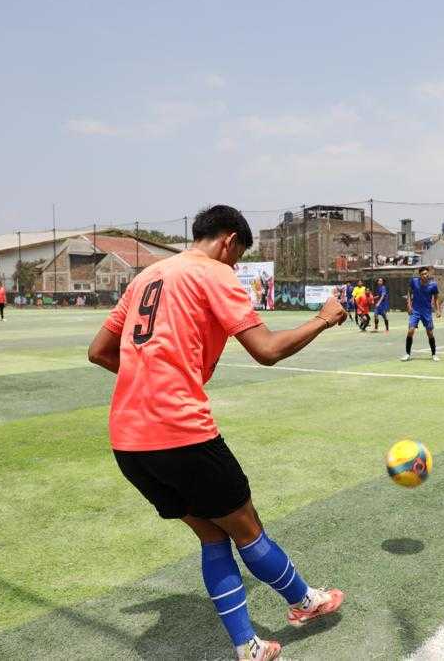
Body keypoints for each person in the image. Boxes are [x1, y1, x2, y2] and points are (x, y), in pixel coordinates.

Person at [87, 205, 346, 661]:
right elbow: (266, 350)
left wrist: (150, 378)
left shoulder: (147, 276)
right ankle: (306, 602)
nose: (235, 267)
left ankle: (249, 646)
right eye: (237, 257)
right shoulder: (214, 272)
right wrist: (323, 318)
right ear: (228, 241)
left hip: (128, 443)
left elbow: (99, 351)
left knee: (212, 536)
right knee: (248, 529)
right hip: (181, 433)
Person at [400, 266, 440, 362]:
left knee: (430, 333)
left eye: (426, 274)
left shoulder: (433, 285)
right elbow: (409, 292)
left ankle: (434, 354)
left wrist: (438, 310)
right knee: (410, 331)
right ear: (420, 275)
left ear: (428, 274)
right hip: (415, 311)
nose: (425, 275)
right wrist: (409, 305)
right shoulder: (414, 281)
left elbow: (436, 298)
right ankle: (407, 354)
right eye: (423, 274)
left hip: (427, 312)